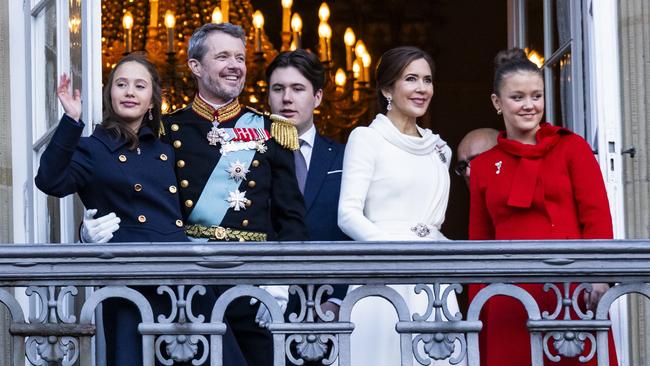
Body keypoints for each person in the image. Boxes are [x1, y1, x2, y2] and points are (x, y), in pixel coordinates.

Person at [34, 54, 246, 366]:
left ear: (151, 101)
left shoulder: (165, 149)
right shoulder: (93, 148)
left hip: (182, 276)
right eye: (121, 84)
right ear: (110, 95)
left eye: (139, 85)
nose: (130, 91)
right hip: (129, 278)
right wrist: (70, 120)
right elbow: (50, 181)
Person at [159, 23, 309, 366]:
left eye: (240, 57)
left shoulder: (271, 130)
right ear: (195, 66)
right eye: (223, 56)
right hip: (189, 288)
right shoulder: (168, 129)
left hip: (255, 286)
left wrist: (281, 282)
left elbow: (292, 219)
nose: (235, 65)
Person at [468, 48, 618, 366]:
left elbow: (597, 217)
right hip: (508, 295)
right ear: (497, 103)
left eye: (537, 96)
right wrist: (477, 307)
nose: (529, 105)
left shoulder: (572, 148)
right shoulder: (483, 166)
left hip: (571, 287)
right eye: (517, 97)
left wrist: (600, 276)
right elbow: (478, 242)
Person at [338, 46, 465, 366]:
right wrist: (397, 255)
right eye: (411, 79)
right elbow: (348, 215)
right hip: (384, 272)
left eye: (428, 80)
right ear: (386, 89)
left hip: (433, 276)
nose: (422, 88)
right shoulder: (366, 139)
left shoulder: (440, 149)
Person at [266, 49, 349, 365]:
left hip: (328, 309)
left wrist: (339, 299)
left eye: (297, 89)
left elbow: (354, 232)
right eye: (278, 89)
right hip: (263, 308)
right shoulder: (247, 157)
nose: (287, 98)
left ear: (316, 97)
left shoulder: (344, 156)